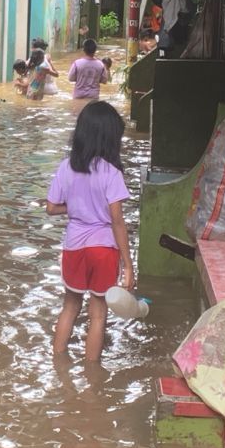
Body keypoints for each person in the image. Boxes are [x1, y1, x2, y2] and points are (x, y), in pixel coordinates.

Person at [46, 102, 134, 364]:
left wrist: (74, 208)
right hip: (104, 248)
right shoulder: (111, 173)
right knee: (98, 315)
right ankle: (92, 377)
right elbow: (117, 221)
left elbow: (51, 208)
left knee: (70, 307)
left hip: (74, 246)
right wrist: (128, 266)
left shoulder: (66, 167)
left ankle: (57, 363)